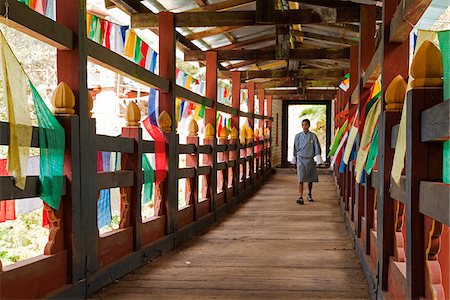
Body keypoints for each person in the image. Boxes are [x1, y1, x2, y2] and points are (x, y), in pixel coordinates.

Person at [292, 119, 322, 205]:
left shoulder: (313, 136)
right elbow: (295, 148)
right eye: (303, 125)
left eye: (306, 125)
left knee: (310, 179)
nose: (304, 126)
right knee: (300, 179)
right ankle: (300, 197)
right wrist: (294, 159)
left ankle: (309, 194)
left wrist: (318, 158)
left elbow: (317, 147)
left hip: (310, 159)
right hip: (300, 159)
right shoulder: (297, 136)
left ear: (309, 125)